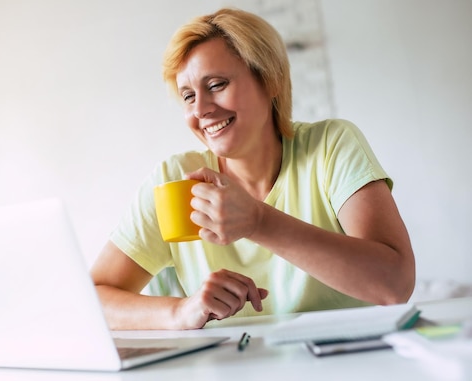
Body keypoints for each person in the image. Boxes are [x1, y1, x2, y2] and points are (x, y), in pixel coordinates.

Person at [91, 7, 415, 330]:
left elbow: (394, 285)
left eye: (216, 85)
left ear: (270, 79)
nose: (201, 109)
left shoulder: (331, 146)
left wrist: (259, 221)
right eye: (188, 96)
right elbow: (94, 299)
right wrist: (180, 311)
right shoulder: (173, 181)